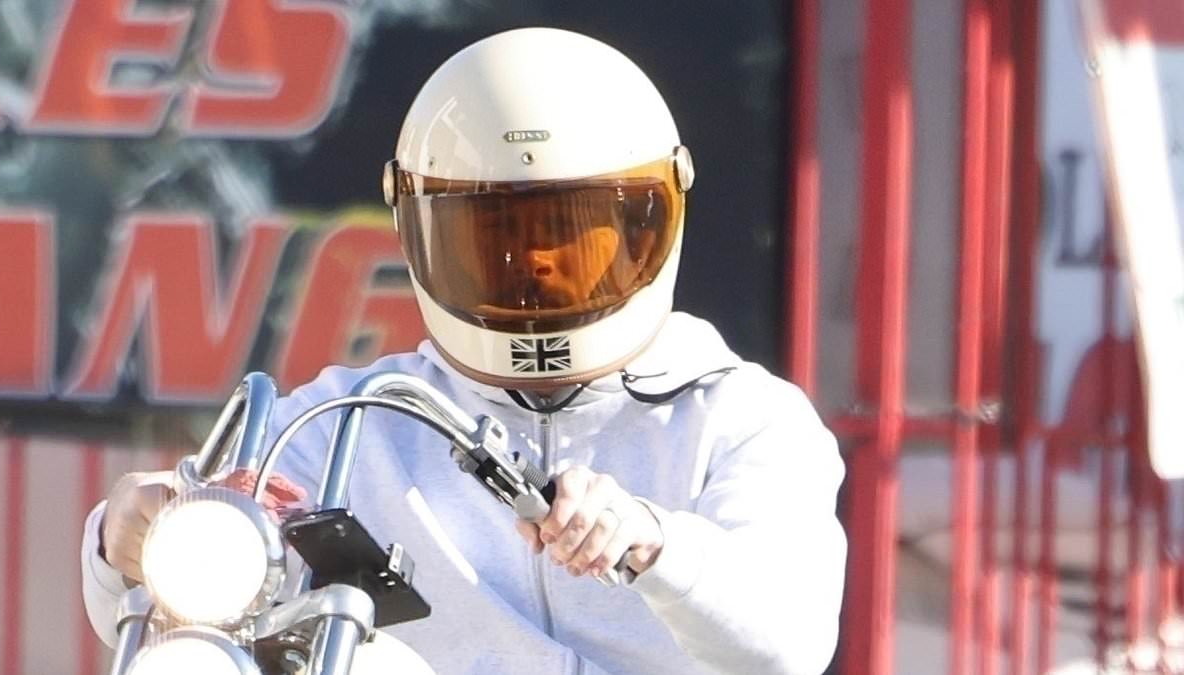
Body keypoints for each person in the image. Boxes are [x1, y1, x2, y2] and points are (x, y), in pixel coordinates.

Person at [82, 27, 847, 675]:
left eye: (575, 236)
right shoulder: (351, 418)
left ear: (655, 217)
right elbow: (174, 582)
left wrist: (656, 542)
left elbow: (786, 644)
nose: (536, 265)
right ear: (417, 224)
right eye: (495, 237)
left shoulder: (745, 417)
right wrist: (125, 535)